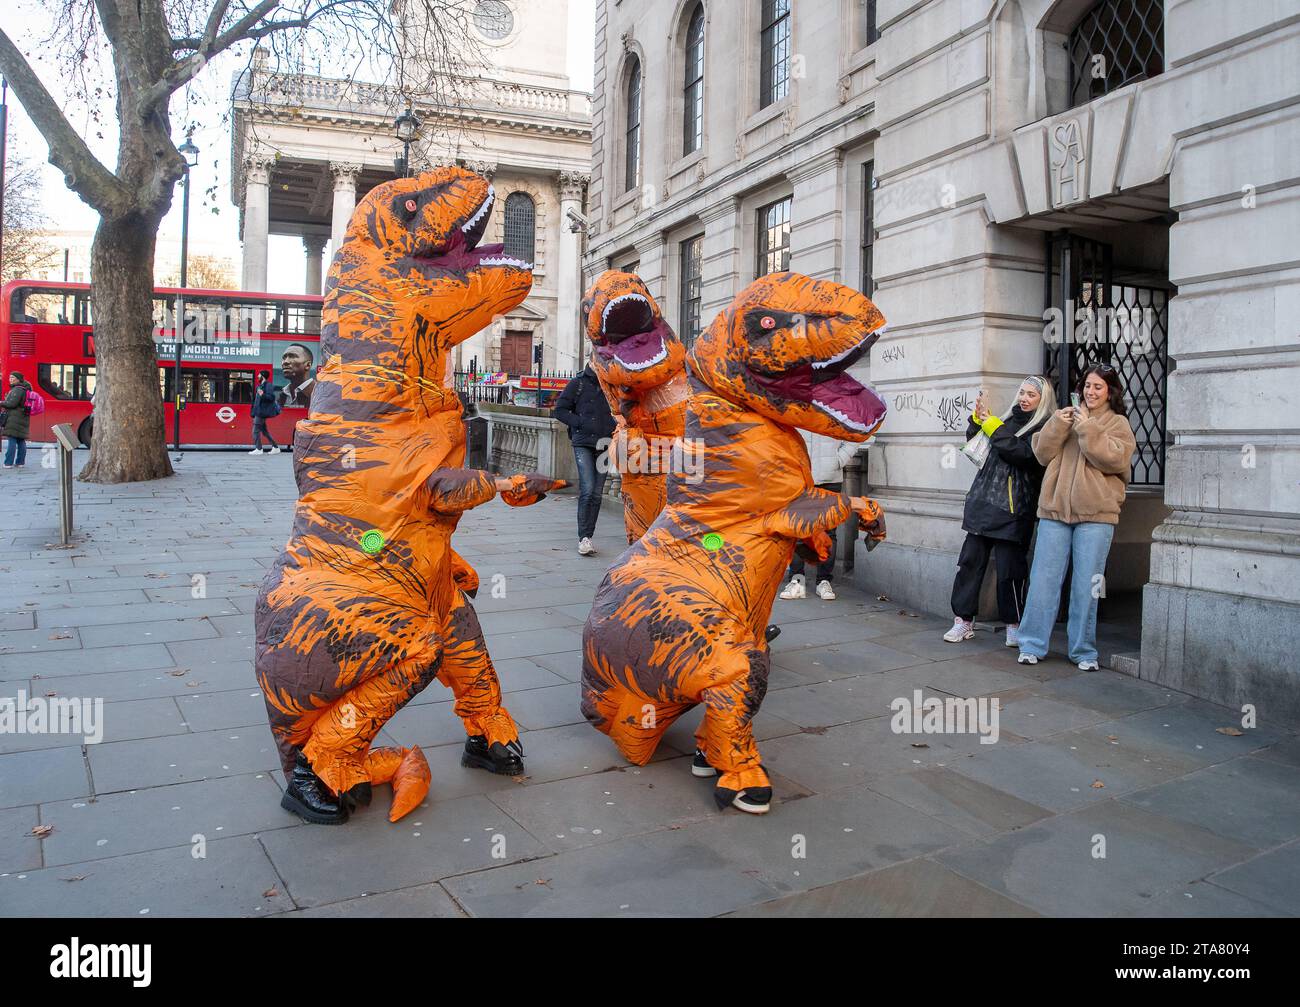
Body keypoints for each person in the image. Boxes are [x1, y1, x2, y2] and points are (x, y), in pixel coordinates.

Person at [1016, 364, 1136, 670]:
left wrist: (1087, 429)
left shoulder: (1118, 423)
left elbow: (1114, 461)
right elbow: (1041, 454)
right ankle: (1031, 644)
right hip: (1055, 511)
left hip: (1096, 515)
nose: (1091, 392)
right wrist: (1057, 424)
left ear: (1110, 391)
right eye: (1087, 386)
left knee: (1087, 585)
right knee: (1043, 580)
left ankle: (1083, 651)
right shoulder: (1065, 417)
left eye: (1098, 387)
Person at [943, 376, 1056, 645]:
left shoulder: (1044, 427)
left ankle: (1014, 625)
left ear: (1043, 400)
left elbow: (1023, 454)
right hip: (983, 502)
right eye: (1022, 392)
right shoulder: (1006, 420)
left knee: (1010, 571)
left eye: (1032, 395)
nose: (1024, 398)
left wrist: (994, 428)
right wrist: (978, 421)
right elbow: (978, 446)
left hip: (1015, 509)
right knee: (970, 564)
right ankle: (962, 621)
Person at [778, 432, 860, 601]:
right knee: (798, 531)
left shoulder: (833, 409)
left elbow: (854, 437)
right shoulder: (797, 407)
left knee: (829, 533)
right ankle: (797, 580)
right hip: (800, 479)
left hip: (830, 479)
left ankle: (823, 581)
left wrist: (838, 461)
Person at [554, 362, 617, 555]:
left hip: (605, 443)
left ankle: (589, 535)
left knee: (597, 494)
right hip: (583, 443)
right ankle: (583, 538)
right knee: (588, 490)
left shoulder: (612, 385)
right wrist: (579, 423)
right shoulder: (578, 383)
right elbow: (560, 410)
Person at [2, 371, 33, 469]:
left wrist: (2, 402)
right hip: (23, 417)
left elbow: (12, 404)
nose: (10, 379)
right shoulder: (25, 389)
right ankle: (20, 462)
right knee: (20, 440)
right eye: (10, 377)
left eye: (12, 377)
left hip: (14, 418)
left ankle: (8, 463)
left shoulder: (17, 389)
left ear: (18, 379)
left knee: (12, 439)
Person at [249, 371, 282, 455]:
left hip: (262, 412)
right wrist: (253, 411)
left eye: (259, 375)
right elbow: (256, 400)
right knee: (264, 431)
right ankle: (275, 447)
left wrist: (262, 394)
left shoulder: (268, 385)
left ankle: (259, 449)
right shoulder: (259, 386)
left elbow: (271, 397)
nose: (257, 376)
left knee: (255, 431)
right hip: (258, 411)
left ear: (263, 376)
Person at [277, 344, 315, 409]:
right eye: (284, 358)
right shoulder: (284, 394)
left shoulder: (320, 393)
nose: (285, 362)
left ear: (308, 365)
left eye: (292, 356)